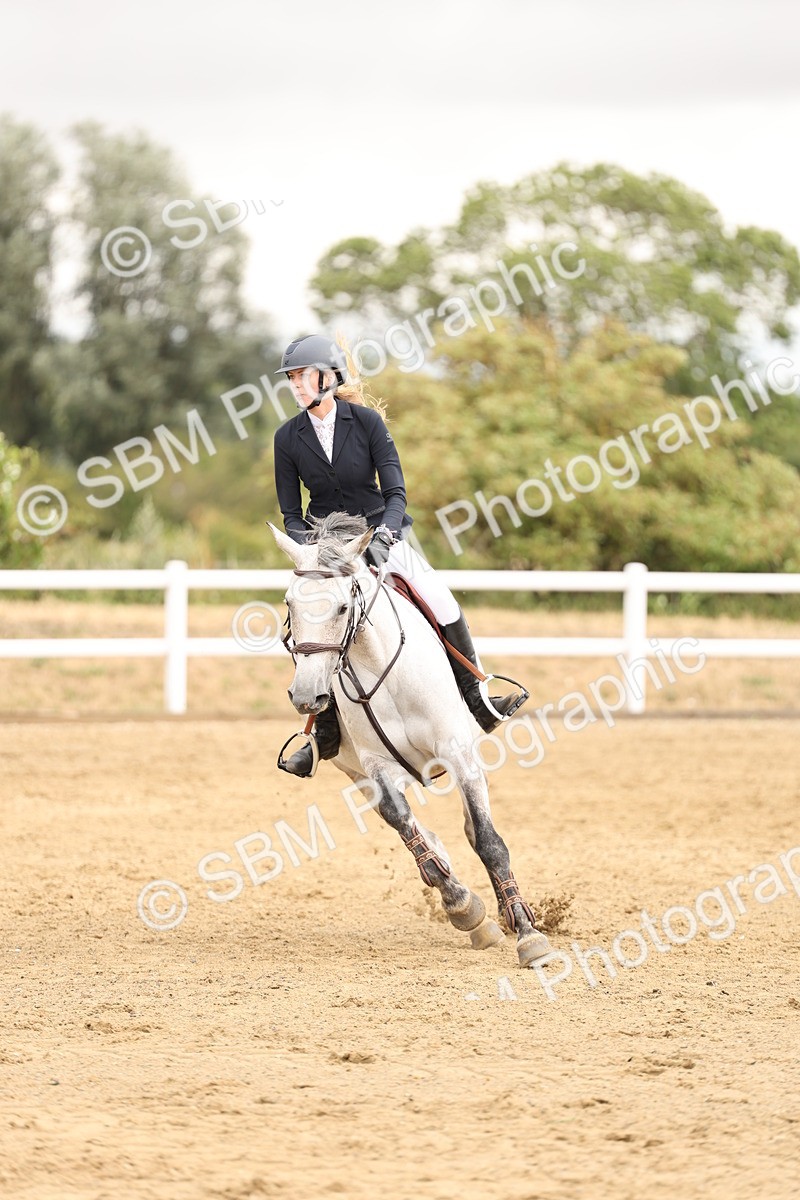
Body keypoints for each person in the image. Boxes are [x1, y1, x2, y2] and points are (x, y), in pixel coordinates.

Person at [273, 334, 527, 777]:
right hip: (327, 549)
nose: (296, 385)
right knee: (307, 624)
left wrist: (385, 536)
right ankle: (321, 733)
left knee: (438, 596)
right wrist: (315, 551)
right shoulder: (287, 438)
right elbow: (291, 514)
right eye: (292, 378)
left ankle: (478, 695)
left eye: (302, 375)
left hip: (378, 532)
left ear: (330, 377)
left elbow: (395, 493)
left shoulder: (367, 423)